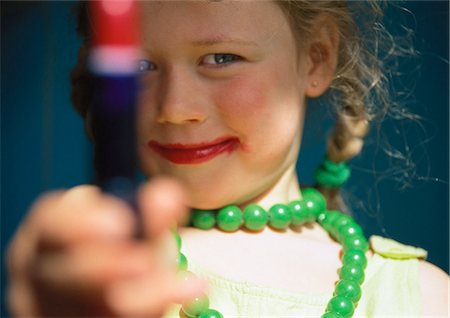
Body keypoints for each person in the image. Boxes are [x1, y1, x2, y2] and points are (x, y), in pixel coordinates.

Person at [6, 1, 448, 317]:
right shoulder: (110, 255)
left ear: (316, 58)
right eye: (140, 67)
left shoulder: (423, 298)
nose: (176, 109)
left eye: (222, 58)